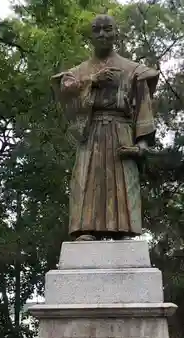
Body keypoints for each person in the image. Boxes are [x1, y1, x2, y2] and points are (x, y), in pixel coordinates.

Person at [52, 14, 159, 241]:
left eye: (107, 29)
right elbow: (66, 93)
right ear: (90, 35)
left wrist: (140, 145)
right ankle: (85, 228)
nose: (102, 34)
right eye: (97, 29)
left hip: (121, 132)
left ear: (115, 33)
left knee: (122, 181)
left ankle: (123, 230)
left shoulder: (134, 70)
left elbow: (143, 107)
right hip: (91, 133)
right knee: (86, 178)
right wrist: (92, 80)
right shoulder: (78, 72)